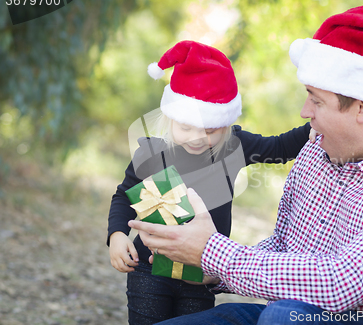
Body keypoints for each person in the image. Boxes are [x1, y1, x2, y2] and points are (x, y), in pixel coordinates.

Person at [129, 5, 363, 325]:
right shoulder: (319, 149)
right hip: (289, 313)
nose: (305, 112)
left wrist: (214, 252)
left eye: (316, 99)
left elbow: (340, 283)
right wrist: (207, 266)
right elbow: (285, 249)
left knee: (282, 315)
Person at [107, 40, 312, 325]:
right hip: (149, 270)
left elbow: (279, 148)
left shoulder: (233, 147)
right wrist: (117, 235)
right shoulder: (153, 153)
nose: (197, 138)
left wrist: (316, 124)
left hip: (199, 272)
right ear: (170, 117)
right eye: (186, 127)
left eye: (210, 130)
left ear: (226, 124)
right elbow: (124, 197)